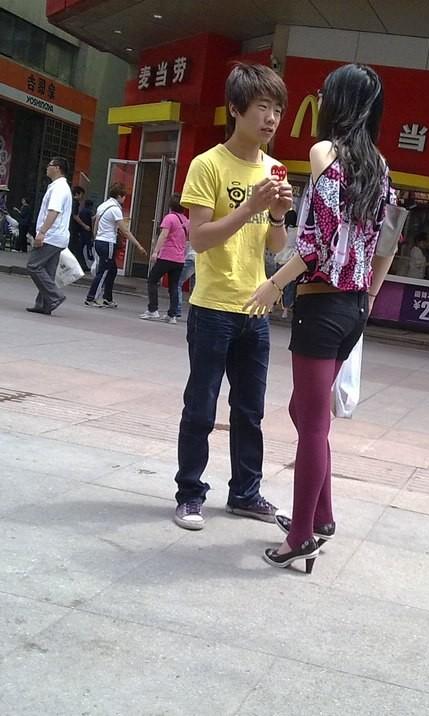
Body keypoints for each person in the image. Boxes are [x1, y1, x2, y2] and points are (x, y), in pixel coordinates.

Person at [244, 63, 395, 573]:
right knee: (304, 412)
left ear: (337, 102)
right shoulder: (379, 165)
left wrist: (273, 284)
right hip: (352, 308)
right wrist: (367, 297)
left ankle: (301, 535)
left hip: (322, 303)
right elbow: (387, 242)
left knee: (311, 424)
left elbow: (317, 241)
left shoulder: (325, 152)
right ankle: (322, 516)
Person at [172, 63, 291, 531]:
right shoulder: (208, 164)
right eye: (262, 107)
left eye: (277, 109)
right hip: (212, 308)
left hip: (255, 308)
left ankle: (245, 493)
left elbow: (276, 246)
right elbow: (199, 239)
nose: (271, 118)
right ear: (236, 109)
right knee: (200, 407)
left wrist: (277, 215)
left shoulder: (273, 168)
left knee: (250, 410)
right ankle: (189, 495)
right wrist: (250, 206)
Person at [85, 182, 146, 308]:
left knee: (112, 270)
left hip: (99, 240)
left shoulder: (103, 205)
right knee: (104, 271)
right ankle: (91, 298)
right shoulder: (115, 209)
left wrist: (95, 237)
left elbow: (95, 221)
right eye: (124, 196)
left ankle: (107, 298)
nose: (124, 199)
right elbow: (125, 231)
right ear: (119, 196)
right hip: (108, 242)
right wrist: (138, 245)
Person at [25, 157, 72, 315]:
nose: (47, 167)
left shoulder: (59, 188)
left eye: (50, 165)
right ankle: (44, 304)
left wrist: (42, 232)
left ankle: (55, 296)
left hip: (51, 235)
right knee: (48, 271)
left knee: (33, 266)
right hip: (58, 236)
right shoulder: (61, 187)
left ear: (57, 168)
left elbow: (54, 211)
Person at [140, 193, 189, 324]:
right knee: (174, 286)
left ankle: (153, 309)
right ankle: (172, 315)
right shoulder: (186, 220)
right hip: (179, 259)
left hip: (167, 256)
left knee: (152, 280)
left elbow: (163, 235)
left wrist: (155, 252)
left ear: (170, 205)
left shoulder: (170, 218)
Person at [275, 209, 298, 319]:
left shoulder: (282, 229)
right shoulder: (297, 231)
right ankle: (285, 310)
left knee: (276, 285)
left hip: (279, 259)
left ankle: (272, 305)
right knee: (289, 287)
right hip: (289, 261)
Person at [175, 233, 196, 319]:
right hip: (200, 260)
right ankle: (194, 313)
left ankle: (177, 310)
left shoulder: (190, 230)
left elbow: (184, 248)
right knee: (195, 288)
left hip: (190, 258)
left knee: (177, 283)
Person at [69, 185, 90, 270]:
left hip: (71, 228)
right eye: (82, 194)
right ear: (77, 194)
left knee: (74, 248)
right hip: (73, 229)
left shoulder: (71, 201)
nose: (82, 197)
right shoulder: (75, 203)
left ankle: (81, 265)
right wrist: (84, 225)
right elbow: (75, 216)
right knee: (77, 248)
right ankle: (81, 266)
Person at [79, 199, 94, 269]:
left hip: (81, 232)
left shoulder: (81, 211)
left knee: (81, 248)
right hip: (88, 232)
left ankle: (82, 264)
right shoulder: (90, 212)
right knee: (89, 248)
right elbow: (92, 221)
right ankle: (89, 263)